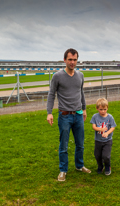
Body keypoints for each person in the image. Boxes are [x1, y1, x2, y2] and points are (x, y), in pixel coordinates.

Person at [47, 48, 91, 182]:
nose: (72, 62)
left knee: (80, 144)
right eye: (70, 59)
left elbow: (81, 93)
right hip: (64, 116)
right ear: (65, 60)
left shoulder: (80, 75)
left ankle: (79, 165)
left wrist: (84, 109)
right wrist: (49, 113)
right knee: (64, 145)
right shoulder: (57, 76)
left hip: (78, 115)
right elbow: (51, 94)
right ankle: (63, 170)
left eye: (75, 59)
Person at [90, 98, 117, 176]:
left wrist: (107, 133)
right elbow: (93, 127)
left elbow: (113, 127)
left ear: (107, 108)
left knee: (106, 156)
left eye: (104, 109)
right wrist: (100, 129)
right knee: (97, 155)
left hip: (107, 141)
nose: (103, 111)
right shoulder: (95, 117)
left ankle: (107, 166)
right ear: (97, 108)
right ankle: (100, 166)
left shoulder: (110, 117)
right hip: (98, 140)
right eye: (101, 109)